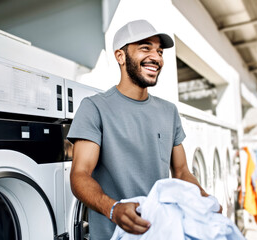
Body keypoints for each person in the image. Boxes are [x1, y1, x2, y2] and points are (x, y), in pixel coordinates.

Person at [67, 19, 222, 240]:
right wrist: (113, 208)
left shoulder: (169, 111)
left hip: (162, 232)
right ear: (120, 56)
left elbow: (181, 172)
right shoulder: (95, 107)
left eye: (159, 51)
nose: (156, 57)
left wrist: (205, 199)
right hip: (114, 234)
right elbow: (79, 175)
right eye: (145, 48)